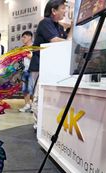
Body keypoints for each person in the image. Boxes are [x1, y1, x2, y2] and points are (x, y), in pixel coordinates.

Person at [29, 0, 72, 129]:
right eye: (63, 8)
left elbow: (67, 41)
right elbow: (56, 41)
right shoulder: (45, 23)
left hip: (50, 67)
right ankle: (38, 125)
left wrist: (72, 26)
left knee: (47, 97)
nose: (65, 11)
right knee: (38, 96)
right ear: (54, 11)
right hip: (39, 66)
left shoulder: (58, 26)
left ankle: (44, 124)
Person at [19, 31, 34, 113]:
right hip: (25, 70)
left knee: (32, 89)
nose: (22, 39)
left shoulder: (35, 47)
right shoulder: (23, 47)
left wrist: (26, 54)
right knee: (25, 89)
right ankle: (27, 105)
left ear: (30, 37)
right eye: (22, 37)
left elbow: (34, 58)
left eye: (24, 37)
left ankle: (33, 106)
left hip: (33, 70)